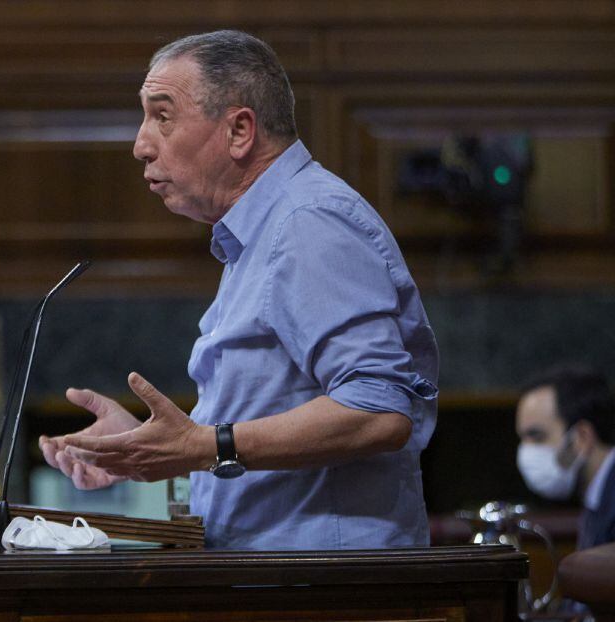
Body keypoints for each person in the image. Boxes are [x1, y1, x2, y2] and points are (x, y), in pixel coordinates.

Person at [38, 30, 439, 550]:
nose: (140, 144)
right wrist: (151, 449)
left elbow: (378, 411)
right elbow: (258, 437)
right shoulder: (261, 233)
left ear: (240, 131)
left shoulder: (308, 222)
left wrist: (204, 444)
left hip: (331, 591)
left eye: (162, 116)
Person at [515, 365, 615, 549]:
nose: (526, 451)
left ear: (582, 437)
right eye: (523, 438)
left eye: (537, 436)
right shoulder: (601, 492)